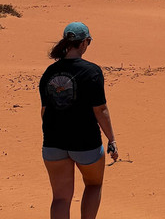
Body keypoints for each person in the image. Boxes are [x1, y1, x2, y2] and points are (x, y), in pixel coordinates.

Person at [39, 21, 119, 219]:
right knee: (93, 185)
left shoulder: (49, 73)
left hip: (53, 141)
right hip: (85, 142)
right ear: (84, 43)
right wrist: (112, 139)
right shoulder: (91, 71)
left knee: (60, 198)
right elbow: (100, 110)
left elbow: (43, 111)